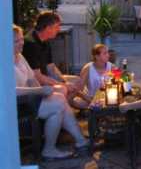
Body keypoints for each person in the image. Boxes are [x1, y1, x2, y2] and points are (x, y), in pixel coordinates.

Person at [14, 25, 88, 160]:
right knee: (58, 102)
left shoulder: (19, 56)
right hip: (18, 105)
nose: (21, 42)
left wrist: (44, 93)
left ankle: (79, 140)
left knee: (58, 97)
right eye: (17, 41)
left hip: (31, 97)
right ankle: (50, 149)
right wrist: (40, 90)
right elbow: (10, 91)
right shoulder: (4, 62)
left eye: (21, 39)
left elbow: (32, 78)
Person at [23, 12, 79, 99]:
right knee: (63, 88)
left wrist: (63, 81)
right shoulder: (31, 44)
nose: (59, 29)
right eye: (57, 26)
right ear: (48, 28)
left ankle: (79, 105)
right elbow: (38, 77)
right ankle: (73, 106)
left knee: (76, 81)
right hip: (35, 85)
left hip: (46, 78)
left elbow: (51, 67)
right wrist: (62, 84)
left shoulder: (45, 39)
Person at [73, 44, 114, 109]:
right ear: (97, 56)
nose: (108, 55)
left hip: (107, 98)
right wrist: (90, 100)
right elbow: (78, 90)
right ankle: (93, 108)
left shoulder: (111, 67)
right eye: (105, 53)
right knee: (75, 101)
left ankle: (97, 108)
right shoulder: (88, 68)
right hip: (89, 98)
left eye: (107, 52)